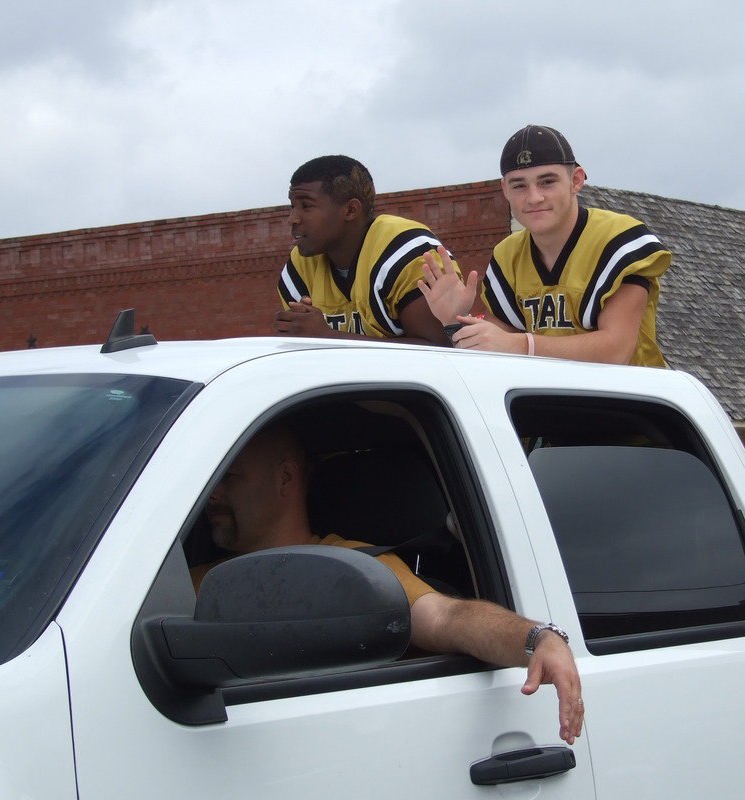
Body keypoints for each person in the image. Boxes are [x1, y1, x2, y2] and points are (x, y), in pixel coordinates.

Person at [194, 424, 584, 745]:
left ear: (285, 478)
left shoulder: (355, 568)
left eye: (227, 477)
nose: (211, 494)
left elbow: (446, 617)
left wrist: (538, 638)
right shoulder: (178, 580)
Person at [418, 124, 671, 366]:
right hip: (548, 401)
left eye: (547, 182)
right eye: (519, 185)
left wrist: (522, 346)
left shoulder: (618, 239)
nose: (534, 197)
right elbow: (494, 349)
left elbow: (616, 351)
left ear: (576, 180)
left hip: (633, 403)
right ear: (504, 190)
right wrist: (456, 321)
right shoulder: (508, 255)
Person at [272, 155, 450, 346]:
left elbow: (441, 351)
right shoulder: (300, 267)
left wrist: (329, 338)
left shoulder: (406, 249)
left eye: (306, 206)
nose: (292, 218)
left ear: (350, 210)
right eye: (293, 206)